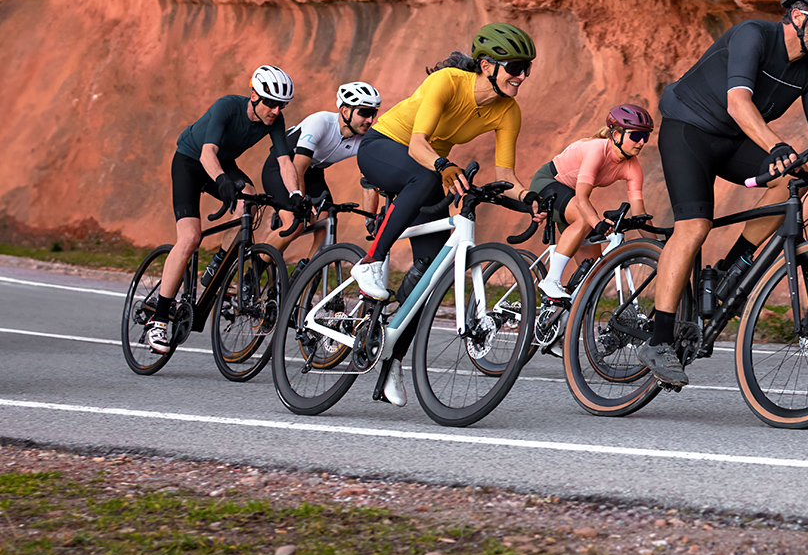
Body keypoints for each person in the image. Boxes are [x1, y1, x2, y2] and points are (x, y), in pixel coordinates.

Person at [642, 0, 808, 388]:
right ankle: (659, 338)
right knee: (695, 226)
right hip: (689, 129)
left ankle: (730, 268)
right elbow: (738, 102)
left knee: (791, 181)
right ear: (797, 16)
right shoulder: (753, 35)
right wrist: (775, 146)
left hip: (735, 140)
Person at [353, 22, 540, 406]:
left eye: (527, 69)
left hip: (429, 169)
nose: (522, 76)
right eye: (515, 67)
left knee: (431, 268)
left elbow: (506, 175)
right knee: (423, 177)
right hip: (387, 147)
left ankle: (391, 358)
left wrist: (532, 199)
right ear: (487, 65)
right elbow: (418, 143)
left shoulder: (508, 110)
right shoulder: (448, 82)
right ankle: (371, 261)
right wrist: (444, 165)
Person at [146, 65, 304, 354]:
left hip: (223, 164)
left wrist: (295, 194)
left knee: (250, 200)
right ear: (253, 95)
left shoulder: (275, 121)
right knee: (191, 238)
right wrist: (221, 181)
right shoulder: (227, 107)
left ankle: (219, 262)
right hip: (191, 162)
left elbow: (284, 162)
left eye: (281, 105)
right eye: (269, 102)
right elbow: (208, 153)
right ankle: (158, 320)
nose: (275, 110)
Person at [525, 104, 654, 301]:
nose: (642, 142)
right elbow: (582, 197)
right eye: (636, 136)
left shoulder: (633, 167)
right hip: (548, 183)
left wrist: (659, 246)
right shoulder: (597, 150)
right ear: (616, 134)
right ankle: (551, 280)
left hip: (571, 198)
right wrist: (597, 224)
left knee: (593, 272)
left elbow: (639, 214)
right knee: (586, 220)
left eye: (646, 136)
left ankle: (567, 314)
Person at [260, 81, 383, 257]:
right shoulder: (321, 122)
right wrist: (300, 202)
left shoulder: (363, 141)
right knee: (295, 224)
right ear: (345, 111)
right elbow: (298, 168)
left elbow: (369, 183)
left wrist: (370, 220)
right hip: (283, 167)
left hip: (313, 173)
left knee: (327, 222)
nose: (370, 120)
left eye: (373, 113)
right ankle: (255, 270)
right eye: (364, 113)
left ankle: (306, 275)